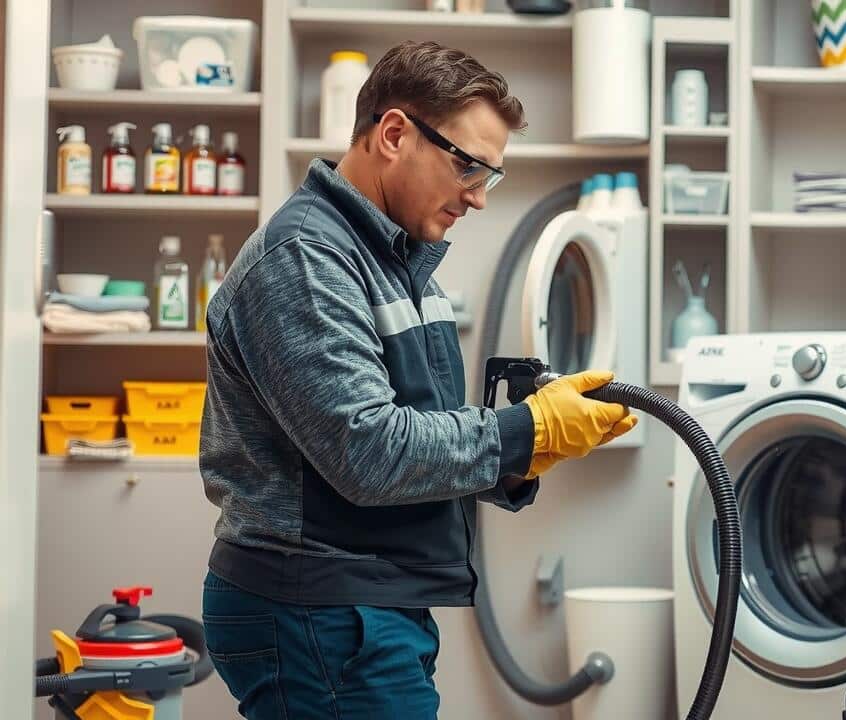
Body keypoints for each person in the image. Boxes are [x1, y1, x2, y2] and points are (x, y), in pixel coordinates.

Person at [198, 40, 636, 719]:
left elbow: (413, 434)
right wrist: (522, 432)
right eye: (469, 166)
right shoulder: (308, 259)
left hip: (361, 602)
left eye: (490, 176)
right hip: (317, 606)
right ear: (396, 134)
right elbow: (368, 451)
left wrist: (523, 454)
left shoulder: (397, 262)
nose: (479, 197)